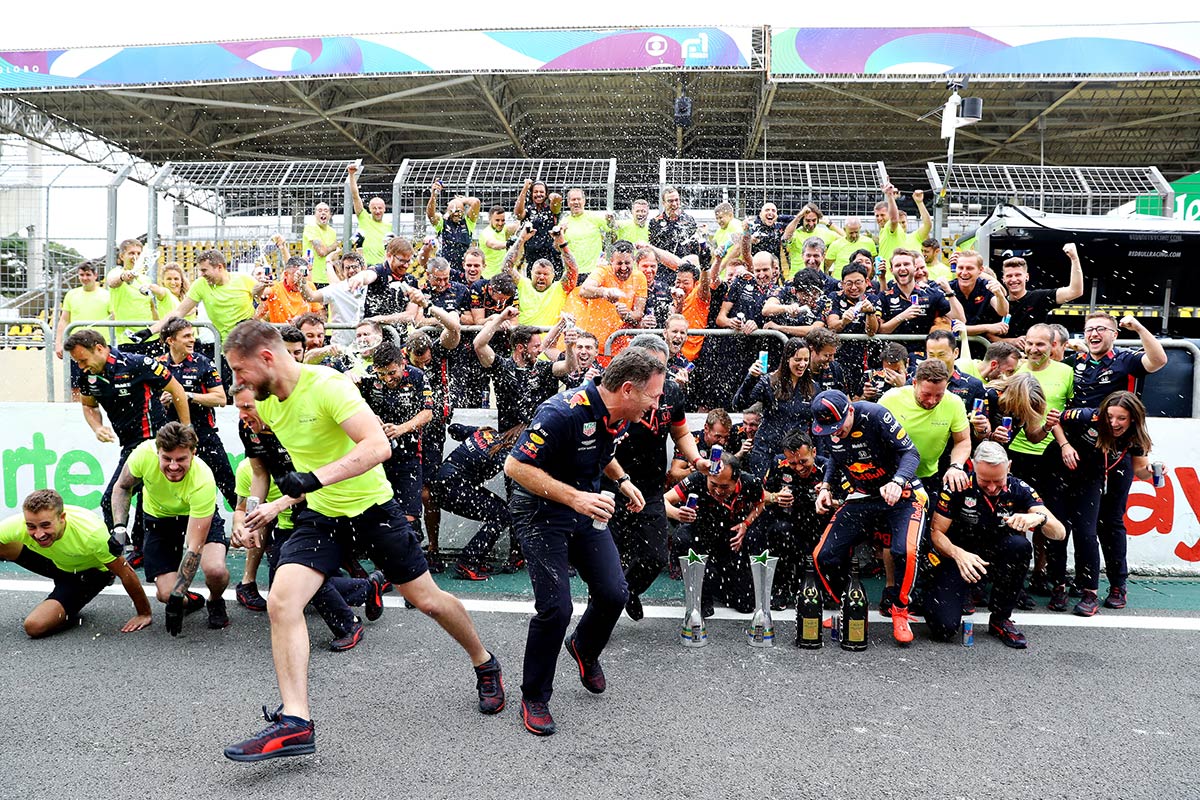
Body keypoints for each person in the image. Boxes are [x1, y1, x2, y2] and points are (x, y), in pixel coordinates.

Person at [221, 320, 504, 761]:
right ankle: (296, 721)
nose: (237, 382)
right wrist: (263, 509)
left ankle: (484, 661)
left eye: (240, 371)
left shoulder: (327, 386)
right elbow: (269, 470)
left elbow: (377, 447)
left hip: (373, 510)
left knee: (428, 600)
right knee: (282, 600)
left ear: (267, 358)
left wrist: (311, 480)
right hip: (321, 515)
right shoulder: (265, 404)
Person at [504, 347, 662, 736]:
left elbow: (601, 452)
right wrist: (576, 498)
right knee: (556, 608)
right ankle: (535, 696)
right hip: (540, 514)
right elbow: (515, 466)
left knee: (613, 593)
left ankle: (584, 648)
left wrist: (623, 481)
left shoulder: (617, 413)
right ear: (628, 389)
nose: (656, 405)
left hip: (585, 507)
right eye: (653, 396)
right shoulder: (561, 413)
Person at [231, 384, 378, 651]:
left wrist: (276, 506)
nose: (242, 415)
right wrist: (251, 518)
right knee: (287, 582)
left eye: (248, 407)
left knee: (299, 566)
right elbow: (260, 474)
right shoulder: (247, 428)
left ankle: (348, 624)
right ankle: (366, 589)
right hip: (292, 506)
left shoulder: (293, 424)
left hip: (329, 501)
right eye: (238, 407)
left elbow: (318, 480)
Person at [810, 389, 925, 645]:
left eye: (839, 426)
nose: (835, 432)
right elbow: (834, 459)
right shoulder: (827, 428)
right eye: (829, 430)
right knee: (823, 555)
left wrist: (898, 481)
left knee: (904, 551)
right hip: (862, 494)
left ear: (850, 410)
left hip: (901, 493)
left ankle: (900, 608)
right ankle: (847, 606)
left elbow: (911, 453)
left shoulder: (876, 415)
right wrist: (826, 487)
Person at [925, 441, 1065, 647]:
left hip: (997, 556)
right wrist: (958, 554)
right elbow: (936, 533)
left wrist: (1039, 519)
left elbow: (1060, 533)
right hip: (959, 557)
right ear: (972, 467)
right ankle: (941, 595)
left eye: (998, 481)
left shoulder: (1020, 488)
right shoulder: (957, 486)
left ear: (1009, 467)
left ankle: (1000, 619)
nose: (991, 488)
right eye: (984, 481)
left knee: (1019, 545)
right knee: (943, 629)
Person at [66, 328, 190, 561]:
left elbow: (176, 390)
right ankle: (138, 550)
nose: (81, 367)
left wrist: (187, 431)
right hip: (129, 444)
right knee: (143, 495)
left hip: (153, 441)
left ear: (100, 349)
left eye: (83, 360)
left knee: (112, 499)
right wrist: (97, 427)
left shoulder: (136, 363)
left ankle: (121, 555)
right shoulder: (88, 375)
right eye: (77, 362)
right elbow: (89, 406)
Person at [606, 335, 706, 621]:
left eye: (662, 369)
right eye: (652, 370)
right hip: (611, 487)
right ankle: (598, 620)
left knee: (655, 556)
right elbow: (600, 446)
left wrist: (696, 459)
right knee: (605, 559)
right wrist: (622, 480)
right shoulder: (616, 391)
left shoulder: (671, 392)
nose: (658, 379)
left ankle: (628, 590)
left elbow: (681, 432)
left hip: (650, 487)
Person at [110, 422, 230, 633]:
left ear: (193, 453)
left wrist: (177, 594)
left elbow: (194, 547)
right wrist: (119, 528)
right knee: (165, 594)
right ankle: (191, 600)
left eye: (181, 459)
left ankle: (215, 600)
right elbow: (122, 486)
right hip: (159, 520)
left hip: (194, 516)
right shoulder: (143, 454)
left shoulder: (203, 479)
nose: (173, 466)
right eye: (166, 458)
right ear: (157, 452)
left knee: (216, 570)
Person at [1052, 391, 1157, 616]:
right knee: (1080, 528)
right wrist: (1064, 445)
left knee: (1111, 525)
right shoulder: (1087, 416)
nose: (1113, 423)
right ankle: (1082, 583)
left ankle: (1118, 585)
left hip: (1114, 474)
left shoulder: (1136, 435)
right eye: (1110, 416)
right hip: (1081, 473)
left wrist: (1149, 472)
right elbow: (1056, 420)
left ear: (1133, 419)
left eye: (1121, 419)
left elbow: (1140, 468)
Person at [0, 489, 151, 637]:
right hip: (55, 563)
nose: (38, 534)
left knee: (34, 626)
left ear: (62, 517)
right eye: (31, 526)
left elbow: (126, 572)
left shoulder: (92, 534)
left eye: (46, 525)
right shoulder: (17, 525)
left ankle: (71, 603)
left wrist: (144, 613)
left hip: (87, 575)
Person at [665, 451, 766, 616]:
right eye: (713, 484)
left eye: (725, 486)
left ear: (737, 480)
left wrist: (746, 524)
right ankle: (701, 593)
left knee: (746, 605)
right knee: (681, 535)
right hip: (701, 540)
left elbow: (759, 503)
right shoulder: (697, 478)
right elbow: (663, 501)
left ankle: (717, 580)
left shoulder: (750, 482)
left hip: (732, 540)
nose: (718, 491)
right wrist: (678, 513)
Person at [157, 317, 238, 509]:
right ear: (171, 341)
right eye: (186, 336)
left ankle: (249, 527)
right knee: (162, 487)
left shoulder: (203, 363)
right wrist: (160, 399)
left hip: (203, 434)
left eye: (192, 335)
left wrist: (187, 396)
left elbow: (220, 399)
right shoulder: (158, 364)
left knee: (228, 484)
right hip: (169, 438)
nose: (192, 339)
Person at [359, 341, 433, 552]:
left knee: (410, 521)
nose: (387, 379)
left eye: (392, 373)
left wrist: (401, 428)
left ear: (402, 363)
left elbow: (428, 413)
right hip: (375, 457)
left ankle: (409, 568)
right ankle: (383, 569)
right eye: (382, 375)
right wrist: (372, 419)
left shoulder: (417, 376)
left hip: (408, 456)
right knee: (377, 516)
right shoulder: (367, 376)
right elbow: (352, 403)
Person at [429, 423, 525, 581]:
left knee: (500, 511)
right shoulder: (505, 455)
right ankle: (468, 562)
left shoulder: (486, 434)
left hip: (442, 484)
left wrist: (475, 432)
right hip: (452, 489)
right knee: (502, 515)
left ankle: (474, 558)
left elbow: (453, 428)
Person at [753, 428, 828, 609]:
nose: (799, 468)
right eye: (793, 464)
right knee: (778, 531)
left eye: (803, 461)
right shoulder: (778, 463)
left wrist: (828, 498)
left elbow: (844, 500)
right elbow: (761, 493)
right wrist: (776, 496)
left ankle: (816, 585)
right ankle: (781, 588)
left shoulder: (827, 468)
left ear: (814, 452)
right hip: (787, 523)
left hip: (818, 523)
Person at [733, 336, 815, 478]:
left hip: (795, 455)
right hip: (766, 450)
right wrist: (751, 378)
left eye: (806, 360)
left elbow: (816, 425)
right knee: (763, 494)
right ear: (787, 359)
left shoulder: (813, 388)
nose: (802, 364)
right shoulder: (769, 382)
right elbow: (739, 404)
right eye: (797, 360)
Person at [1069, 313, 1168, 408]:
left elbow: (1159, 361)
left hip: (1113, 424)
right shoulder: (1077, 359)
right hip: (1078, 423)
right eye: (1089, 330)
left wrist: (1139, 328)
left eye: (1101, 329)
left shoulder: (1126, 359)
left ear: (1114, 335)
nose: (1094, 334)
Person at [999, 243, 1084, 345]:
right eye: (1009, 276)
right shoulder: (997, 302)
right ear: (1003, 279)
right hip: (1003, 357)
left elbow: (1075, 291)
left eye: (1018, 275)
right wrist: (1011, 341)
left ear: (1027, 277)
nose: (1013, 279)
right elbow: (987, 335)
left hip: (1035, 356)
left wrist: (1074, 258)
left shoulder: (1039, 298)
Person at [877, 248, 956, 353]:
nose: (902, 268)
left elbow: (958, 319)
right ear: (892, 270)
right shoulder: (884, 296)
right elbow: (880, 331)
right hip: (894, 356)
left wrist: (950, 292)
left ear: (914, 267)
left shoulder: (932, 294)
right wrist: (902, 317)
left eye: (906, 264)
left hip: (925, 356)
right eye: (897, 265)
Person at [56, 260, 112, 398]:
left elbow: (114, 318)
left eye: (88, 274)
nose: (85, 278)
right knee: (76, 386)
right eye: (82, 275)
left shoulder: (106, 295)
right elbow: (64, 319)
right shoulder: (71, 294)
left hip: (98, 349)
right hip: (77, 349)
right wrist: (58, 343)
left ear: (95, 275)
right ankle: (76, 412)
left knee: (103, 384)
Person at [299, 252, 367, 346]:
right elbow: (310, 297)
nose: (351, 270)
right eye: (347, 268)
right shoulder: (337, 289)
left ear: (363, 269)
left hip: (366, 347)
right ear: (343, 272)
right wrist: (301, 281)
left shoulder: (372, 287)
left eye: (355, 267)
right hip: (340, 348)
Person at [949, 250, 1009, 338]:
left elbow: (1003, 312)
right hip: (953, 345)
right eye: (961, 268)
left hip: (982, 346)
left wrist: (999, 295)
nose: (964, 273)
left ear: (980, 270)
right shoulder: (948, 288)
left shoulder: (986, 286)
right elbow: (955, 328)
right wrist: (987, 327)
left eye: (969, 268)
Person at [514, 179, 564, 276]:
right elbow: (518, 214)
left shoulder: (551, 210)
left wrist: (552, 197)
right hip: (532, 257)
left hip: (551, 256)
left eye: (541, 192)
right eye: (535, 192)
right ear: (531, 194)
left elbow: (557, 201)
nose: (538, 194)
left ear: (546, 194)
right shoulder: (528, 210)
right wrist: (525, 189)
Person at [426, 182, 480, 270]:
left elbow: (476, 202)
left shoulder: (468, 223)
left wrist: (464, 200)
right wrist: (433, 195)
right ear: (448, 211)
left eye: (459, 211)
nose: (457, 214)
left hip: (463, 268)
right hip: (445, 267)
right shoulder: (442, 223)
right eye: (454, 211)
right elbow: (431, 215)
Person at [560, 187, 610, 277]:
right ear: (568, 203)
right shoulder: (564, 222)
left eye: (579, 199)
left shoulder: (595, 217)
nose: (576, 202)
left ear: (584, 201)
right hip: (573, 272)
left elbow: (613, 229)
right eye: (573, 200)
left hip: (594, 271)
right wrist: (560, 235)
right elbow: (557, 247)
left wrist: (611, 221)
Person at [258, 256, 323, 324]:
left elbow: (319, 315)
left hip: (303, 333)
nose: (299, 280)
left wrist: (303, 319)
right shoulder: (274, 288)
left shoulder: (310, 286)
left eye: (302, 276)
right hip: (281, 332)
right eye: (296, 275)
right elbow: (257, 316)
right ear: (286, 274)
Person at [348, 163, 390, 266]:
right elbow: (355, 196)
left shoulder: (389, 227)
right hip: (365, 265)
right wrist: (352, 175)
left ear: (384, 209)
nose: (377, 211)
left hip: (381, 266)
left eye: (380, 208)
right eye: (374, 208)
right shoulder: (364, 218)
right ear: (370, 209)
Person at [879, 183, 931, 265]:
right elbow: (893, 219)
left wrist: (919, 202)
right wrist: (891, 198)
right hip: (891, 277)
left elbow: (927, 225)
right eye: (898, 223)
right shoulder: (889, 233)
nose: (901, 225)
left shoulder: (915, 236)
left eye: (903, 222)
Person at [649, 185, 699, 259]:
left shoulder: (688, 220)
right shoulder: (655, 222)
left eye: (676, 200)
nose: (674, 204)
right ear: (663, 203)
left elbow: (695, 247)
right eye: (670, 201)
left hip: (684, 265)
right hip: (664, 265)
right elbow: (653, 249)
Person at [301, 202, 342, 286]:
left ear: (330, 215)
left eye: (326, 211)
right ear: (315, 214)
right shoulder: (311, 227)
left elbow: (334, 258)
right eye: (319, 210)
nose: (323, 212)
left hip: (329, 277)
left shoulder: (332, 231)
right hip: (313, 277)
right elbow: (322, 252)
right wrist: (334, 246)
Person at [477, 205, 514, 278]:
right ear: (490, 219)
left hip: (502, 276)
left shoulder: (504, 230)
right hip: (487, 277)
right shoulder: (486, 233)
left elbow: (517, 226)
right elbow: (493, 244)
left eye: (503, 220)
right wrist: (507, 244)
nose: (500, 223)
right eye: (497, 220)